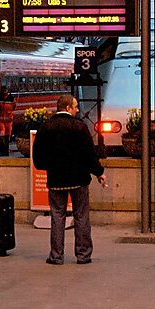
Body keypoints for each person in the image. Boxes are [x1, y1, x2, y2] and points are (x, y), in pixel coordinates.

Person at [31, 94, 106, 265]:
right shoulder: (79, 127)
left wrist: (48, 167)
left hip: (56, 180)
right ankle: (83, 255)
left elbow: (38, 157)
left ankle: (56, 256)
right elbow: (89, 154)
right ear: (67, 108)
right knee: (81, 216)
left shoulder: (46, 127)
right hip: (79, 180)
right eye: (76, 106)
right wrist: (99, 172)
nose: (78, 110)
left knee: (57, 216)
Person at [0, 86, 15, 155]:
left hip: (6, 120)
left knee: (7, 135)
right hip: (4, 120)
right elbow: (14, 107)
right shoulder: (11, 98)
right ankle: (4, 150)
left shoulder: (0, 98)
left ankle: (6, 150)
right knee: (3, 135)